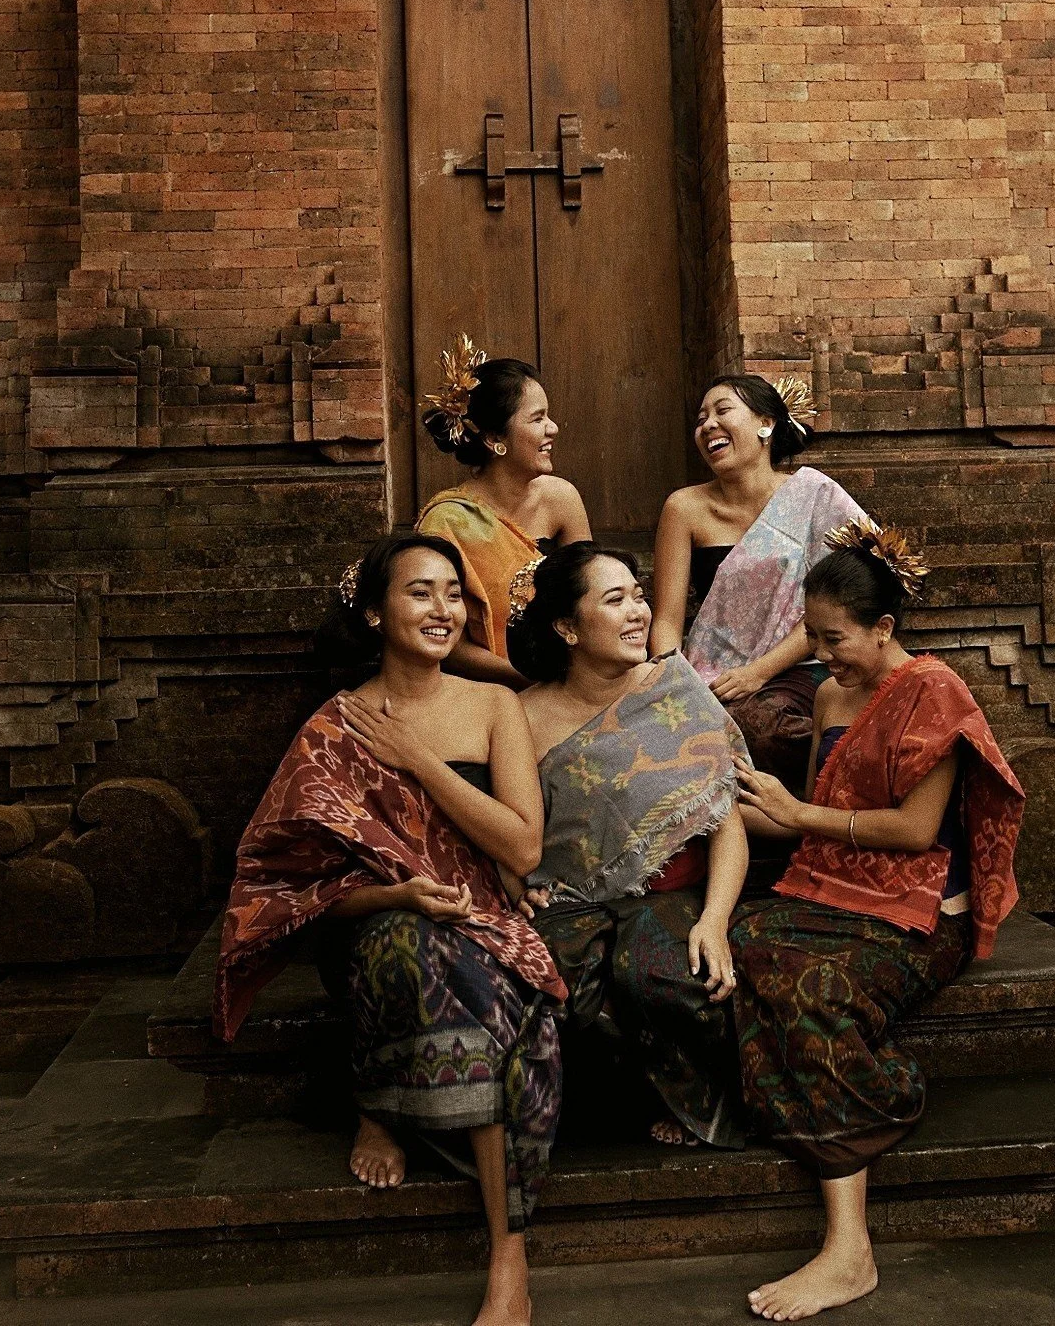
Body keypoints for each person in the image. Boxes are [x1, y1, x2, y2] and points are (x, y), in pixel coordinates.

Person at [214, 533, 566, 1326]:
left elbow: (522, 847)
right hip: (377, 928)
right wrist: (398, 894)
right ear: (376, 612)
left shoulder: (493, 705)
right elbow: (293, 889)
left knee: (486, 996)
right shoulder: (336, 726)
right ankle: (387, 1107)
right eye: (420, 591)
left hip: (479, 916)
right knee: (412, 946)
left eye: (453, 593)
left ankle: (507, 1259)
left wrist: (417, 757)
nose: (443, 609)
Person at [730, 519, 1025, 1321]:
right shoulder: (831, 693)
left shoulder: (935, 692)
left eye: (836, 638)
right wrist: (703, 807)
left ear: (884, 626)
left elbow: (914, 829)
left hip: (920, 909)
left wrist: (796, 812)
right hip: (835, 886)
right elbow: (807, 814)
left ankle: (850, 1245)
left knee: (815, 988)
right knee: (740, 942)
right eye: (813, 636)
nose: (822, 654)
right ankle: (800, 1100)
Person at [512, 542, 749, 1149]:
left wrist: (715, 920)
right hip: (570, 897)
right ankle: (620, 1105)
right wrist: (514, 888)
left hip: (674, 894)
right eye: (615, 600)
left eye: (639, 597)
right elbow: (509, 828)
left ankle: (699, 1105)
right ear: (567, 627)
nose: (639, 612)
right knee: (554, 982)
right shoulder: (523, 717)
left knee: (662, 973)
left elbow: (727, 823)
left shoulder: (675, 687)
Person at [650, 374, 866, 793]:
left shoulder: (814, 495)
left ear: (766, 424)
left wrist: (757, 672)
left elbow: (846, 601)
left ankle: (816, 808)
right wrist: (673, 683)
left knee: (762, 729)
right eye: (701, 419)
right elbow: (666, 620)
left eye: (722, 411)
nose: (708, 425)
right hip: (711, 671)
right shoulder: (684, 508)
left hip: (805, 664)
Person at [417, 335, 591, 688]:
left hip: (572, 679)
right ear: (495, 439)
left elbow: (591, 595)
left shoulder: (562, 499)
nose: (553, 428)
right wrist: (533, 680)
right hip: (487, 688)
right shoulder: (446, 522)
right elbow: (450, 645)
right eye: (537, 418)